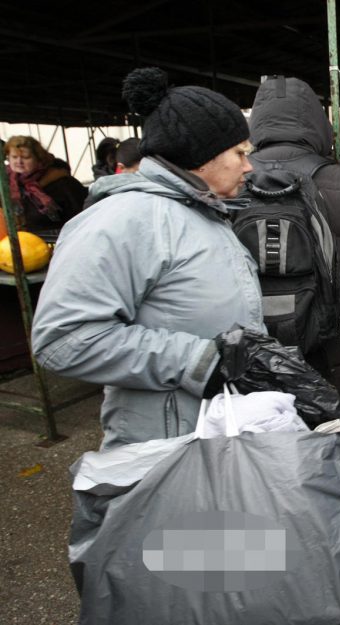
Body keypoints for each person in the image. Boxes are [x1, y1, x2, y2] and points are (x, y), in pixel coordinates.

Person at [31, 67, 262, 450]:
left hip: (207, 431)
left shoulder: (203, 212)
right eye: (239, 153)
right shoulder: (124, 220)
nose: (248, 165)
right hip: (162, 442)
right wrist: (197, 360)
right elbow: (63, 338)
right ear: (200, 155)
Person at [248, 75, 340, 405]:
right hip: (326, 342)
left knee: (256, 437)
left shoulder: (230, 178)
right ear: (317, 122)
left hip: (252, 342)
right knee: (327, 434)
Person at [3, 135, 87, 234]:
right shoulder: (5, 184)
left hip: (58, 241)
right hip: (17, 243)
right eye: (14, 157)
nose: (19, 162)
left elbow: (83, 215)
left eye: (26, 157)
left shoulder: (63, 183)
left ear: (39, 158)